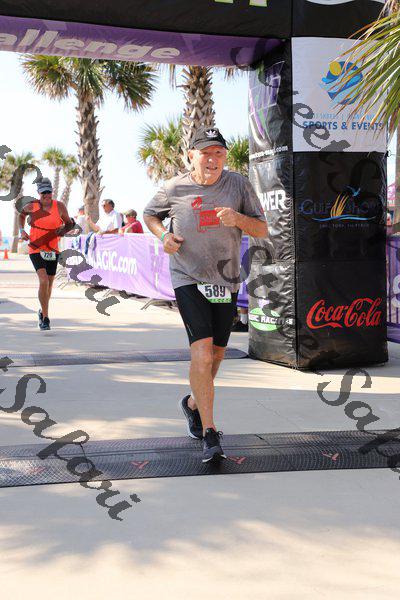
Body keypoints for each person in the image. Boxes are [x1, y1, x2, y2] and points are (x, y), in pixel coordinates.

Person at [144, 126, 267, 463]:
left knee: (216, 355)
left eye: (219, 153)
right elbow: (150, 215)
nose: (213, 159)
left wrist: (237, 218)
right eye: (206, 153)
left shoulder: (238, 184)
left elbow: (261, 228)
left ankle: (192, 403)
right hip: (187, 277)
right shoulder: (174, 187)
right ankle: (210, 433)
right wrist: (163, 236)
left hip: (225, 280)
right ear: (191, 156)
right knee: (201, 353)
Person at [19, 177, 75, 330]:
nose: (46, 195)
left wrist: (63, 231)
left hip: (52, 249)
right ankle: (45, 318)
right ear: (38, 193)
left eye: (48, 192)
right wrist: (22, 230)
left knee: (49, 285)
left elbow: (69, 223)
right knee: (43, 281)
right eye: (43, 193)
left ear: (52, 192)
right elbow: (21, 215)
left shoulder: (60, 206)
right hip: (36, 248)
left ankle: (42, 311)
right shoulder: (32, 205)